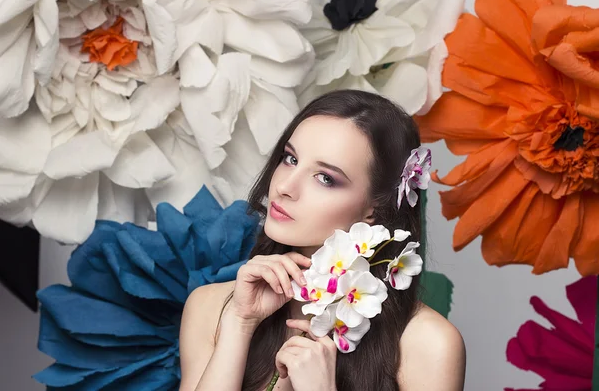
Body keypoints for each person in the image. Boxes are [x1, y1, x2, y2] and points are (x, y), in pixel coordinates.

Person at [178, 90, 466, 391]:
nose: (285, 187)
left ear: (375, 210)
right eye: (290, 159)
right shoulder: (211, 307)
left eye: (325, 178)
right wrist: (239, 324)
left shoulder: (429, 345)